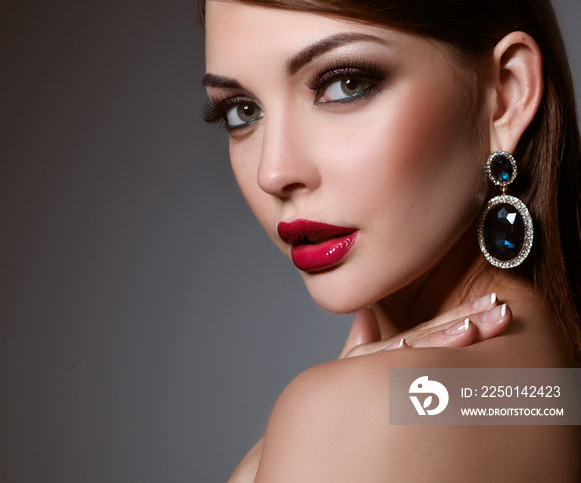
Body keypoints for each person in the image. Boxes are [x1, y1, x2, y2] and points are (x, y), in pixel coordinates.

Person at [200, 0, 581, 480]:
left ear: (506, 94)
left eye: (345, 84)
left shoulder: (352, 412)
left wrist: (321, 422)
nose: (273, 172)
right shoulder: (554, 389)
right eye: (242, 111)